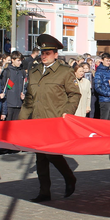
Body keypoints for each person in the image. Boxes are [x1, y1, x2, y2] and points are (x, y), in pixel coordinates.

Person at [18, 34, 81, 202]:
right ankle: (44, 191)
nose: (43, 56)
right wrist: (21, 121)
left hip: (55, 121)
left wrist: (67, 113)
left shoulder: (65, 72)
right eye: (42, 52)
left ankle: (69, 177)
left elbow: (74, 95)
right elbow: (30, 99)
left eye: (47, 53)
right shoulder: (34, 71)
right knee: (40, 158)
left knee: (51, 154)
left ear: (55, 54)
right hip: (38, 121)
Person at [94, 53, 110, 120]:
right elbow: (97, 87)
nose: (108, 62)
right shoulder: (99, 72)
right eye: (107, 60)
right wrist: (109, 94)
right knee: (104, 120)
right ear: (102, 60)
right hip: (105, 100)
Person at [3, 51, 26, 121]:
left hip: (19, 104)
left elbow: (25, 85)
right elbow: (3, 87)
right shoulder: (7, 71)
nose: (20, 62)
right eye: (18, 60)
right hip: (9, 104)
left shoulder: (22, 72)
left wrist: (24, 93)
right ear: (12, 60)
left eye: (21, 60)